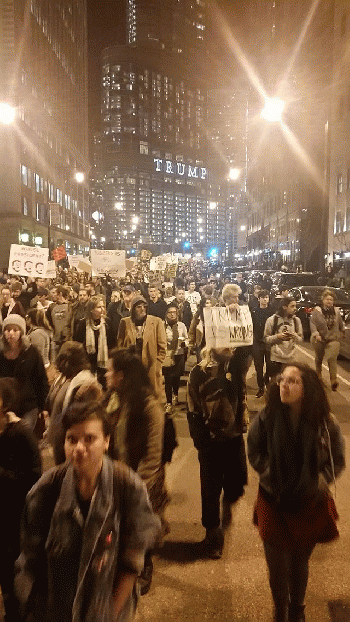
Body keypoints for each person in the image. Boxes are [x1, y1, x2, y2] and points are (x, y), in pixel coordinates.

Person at [16, 401, 160, 622]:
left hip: (106, 611)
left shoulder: (127, 486)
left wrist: (110, 614)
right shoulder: (47, 490)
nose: (79, 449)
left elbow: (132, 562)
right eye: (71, 439)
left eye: (89, 439)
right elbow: (30, 561)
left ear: (106, 441)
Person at [247, 363, 345, 622]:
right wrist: (270, 475)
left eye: (292, 381)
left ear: (307, 388)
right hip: (273, 500)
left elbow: (337, 458)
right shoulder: (268, 415)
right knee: (277, 566)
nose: (284, 385)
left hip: (309, 502)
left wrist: (320, 481)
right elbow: (254, 450)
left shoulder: (325, 422)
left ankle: (297, 610)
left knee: (300, 560)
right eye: (282, 380)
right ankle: (280, 611)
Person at [187, 346, 248, 559]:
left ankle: (228, 503)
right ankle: (213, 534)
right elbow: (192, 407)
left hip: (233, 439)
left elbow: (247, 349)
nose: (229, 346)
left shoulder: (238, 366)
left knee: (235, 485)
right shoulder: (199, 371)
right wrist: (200, 440)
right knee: (210, 489)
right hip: (210, 441)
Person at [105, 348, 169, 533]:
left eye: (109, 370)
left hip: (142, 483)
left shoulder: (149, 406)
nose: (106, 374)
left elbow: (153, 455)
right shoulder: (112, 399)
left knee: (141, 532)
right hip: (118, 479)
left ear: (121, 375)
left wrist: (137, 486)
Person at [0, 377, 41, 622]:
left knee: (13, 568)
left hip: (15, 515)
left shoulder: (22, 433)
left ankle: (18, 614)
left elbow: (35, 477)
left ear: (5, 403)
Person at [45, 341, 102, 464]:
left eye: (62, 359)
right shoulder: (65, 379)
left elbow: (81, 417)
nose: (58, 364)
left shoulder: (83, 383)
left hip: (70, 442)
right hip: (59, 439)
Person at [0, 314, 49, 431]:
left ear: (21, 332)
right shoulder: (1, 353)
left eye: (15, 330)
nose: (10, 333)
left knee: (23, 436)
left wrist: (44, 407)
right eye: (7, 330)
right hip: (5, 407)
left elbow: (41, 379)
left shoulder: (31, 352)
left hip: (28, 405)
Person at [116, 296, 167, 403]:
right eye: (139, 307)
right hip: (132, 367)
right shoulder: (125, 322)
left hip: (151, 366)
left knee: (152, 397)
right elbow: (120, 345)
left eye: (144, 306)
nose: (142, 309)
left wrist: (157, 364)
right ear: (133, 309)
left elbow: (162, 346)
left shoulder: (156, 321)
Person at [75, 296, 115, 387]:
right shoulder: (83, 324)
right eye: (99, 307)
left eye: (103, 306)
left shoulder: (107, 322)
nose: (102, 309)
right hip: (88, 361)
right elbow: (78, 343)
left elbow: (112, 343)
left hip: (103, 360)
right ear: (91, 309)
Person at [310, 289, 345, 391]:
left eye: (331, 299)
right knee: (319, 357)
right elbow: (312, 323)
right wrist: (316, 334)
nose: (329, 301)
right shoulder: (317, 311)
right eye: (327, 299)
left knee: (331, 358)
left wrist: (342, 332)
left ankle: (333, 380)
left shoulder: (337, 311)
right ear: (323, 300)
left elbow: (341, 324)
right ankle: (318, 375)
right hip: (319, 338)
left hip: (333, 338)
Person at [264, 296, 303, 378]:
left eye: (295, 306)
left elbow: (300, 340)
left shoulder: (296, 320)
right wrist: (277, 336)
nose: (295, 308)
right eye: (292, 306)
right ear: (284, 307)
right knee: (276, 383)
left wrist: (295, 336)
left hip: (291, 358)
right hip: (276, 358)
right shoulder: (272, 320)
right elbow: (266, 339)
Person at [162, 304, 188, 410]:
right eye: (170, 312)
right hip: (168, 355)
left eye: (174, 312)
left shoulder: (181, 325)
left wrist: (184, 343)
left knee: (176, 377)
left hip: (179, 354)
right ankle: (168, 402)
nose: (173, 314)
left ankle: (175, 394)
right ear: (166, 314)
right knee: (168, 378)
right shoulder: (163, 326)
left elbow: (187, 338)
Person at [251, 289, 273, 397]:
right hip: (257, 342)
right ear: (259, 299)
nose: (265, 300)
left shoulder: (272, 312)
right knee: (258, 366)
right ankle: (261, 387)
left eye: (267, 297)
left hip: (269, 342)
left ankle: (266, 379)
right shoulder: (254, 311)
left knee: (270, 365)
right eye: (263, 297)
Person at [188, 296, 217, 362]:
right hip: (201, 343)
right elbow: (192, 330)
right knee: (201, 363)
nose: (209, 305)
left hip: (212, 344)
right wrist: (191, 343)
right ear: (203, 305)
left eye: (210, 303)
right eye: (207, 303)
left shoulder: (215, 315)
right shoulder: (197, 317)